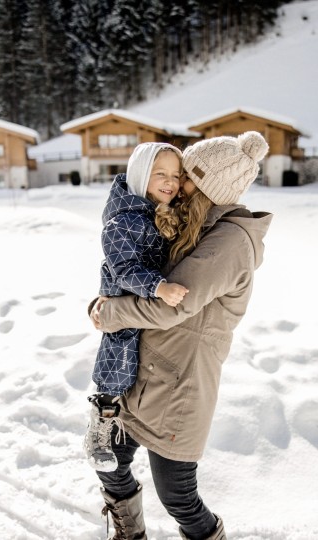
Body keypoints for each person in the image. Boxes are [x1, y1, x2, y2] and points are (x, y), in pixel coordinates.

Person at [89, 131, 272, 540]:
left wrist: (110, 312)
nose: (178, 183)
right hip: (149, 373)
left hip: (180, 386)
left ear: (207, 186)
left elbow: (173, 304)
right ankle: (130, 533)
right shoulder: (196, 226)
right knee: (110, 459)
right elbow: (136, 273)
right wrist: (104, 299)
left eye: (187, 175)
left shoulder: (229, 242)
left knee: (177, 496)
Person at [84, 142, 189, 473]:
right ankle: (99, 430)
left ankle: (125, 420)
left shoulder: (160, 211)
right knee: (118, 365)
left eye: (176, 174)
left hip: (148, 302)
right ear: (141, 175)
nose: (170, 181)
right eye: (160, 174)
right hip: (122, 302)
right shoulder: (122, 221)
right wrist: (158, 286)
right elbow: (125, 268)